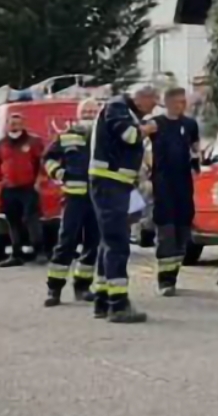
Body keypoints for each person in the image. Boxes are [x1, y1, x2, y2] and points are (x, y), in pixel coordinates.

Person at [90, 83, 158, 324]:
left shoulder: (122, 108)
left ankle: (102, 299)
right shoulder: (118, 107)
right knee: (117, 243)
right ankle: (118, 305)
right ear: (141, 98)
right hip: (110, 183)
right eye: (153, 102)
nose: (153, 108)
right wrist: (147, 129)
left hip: (117, 184)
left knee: (108, 242)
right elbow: (128, 136)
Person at [42, 98, 100, 306]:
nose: (90, 115)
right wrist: (58, 172)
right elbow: (47, 158)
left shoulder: (104, 137)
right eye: (86, 111)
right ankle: (54, 289)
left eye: (94, 111)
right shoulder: (66, 136)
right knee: (66, 242)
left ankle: (83, 286)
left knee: (93, 244)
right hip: (74, 198)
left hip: (98, 199)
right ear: (78, 114)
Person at [151, 86, 200, 296]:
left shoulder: (189, 124)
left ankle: (174, 272)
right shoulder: (157, 124)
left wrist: (197, 161)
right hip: (163, 184)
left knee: (183, 231)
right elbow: (138, 141)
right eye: (179, 101)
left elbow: (195, 147)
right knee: (166, 231)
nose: (183, 104)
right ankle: (165, 280)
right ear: (169, 102)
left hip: (184, 184)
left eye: (184, 101)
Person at [0, 112, 46, 268]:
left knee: (32, 219)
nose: (15, 127)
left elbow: (41, 162)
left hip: (29, 187)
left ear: (23, 125)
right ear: (7, 125)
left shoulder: (33, 142)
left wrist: (39, 181)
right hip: (9, 189)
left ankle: (39, 251)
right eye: (12, 123)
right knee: (13, 222)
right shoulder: (1, 144)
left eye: (18, 123)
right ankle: (16, 254)